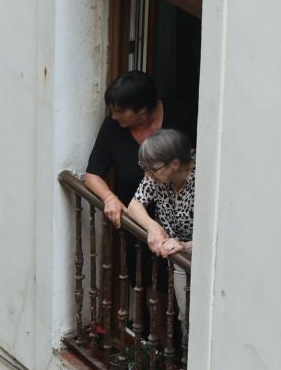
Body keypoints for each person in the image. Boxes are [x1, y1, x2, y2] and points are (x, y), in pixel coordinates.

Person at [80, 71, 195, 226]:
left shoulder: (183, 114)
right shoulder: (112, 127)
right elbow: (92, 174)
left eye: (120, 111)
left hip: (184, 232)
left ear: (142, 109)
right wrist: (110, 198)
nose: (114, 116)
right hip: (134, 227)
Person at [124, 128, 196, 271]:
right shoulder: (155, 176)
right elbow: (134, 205)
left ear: (175, 164)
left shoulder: (203, 180)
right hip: (176, 262)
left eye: (153, 169)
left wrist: (186, 246)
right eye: (144, 167)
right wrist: (152, 226)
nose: (148, 174)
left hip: (201, 261)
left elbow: (216, 233)